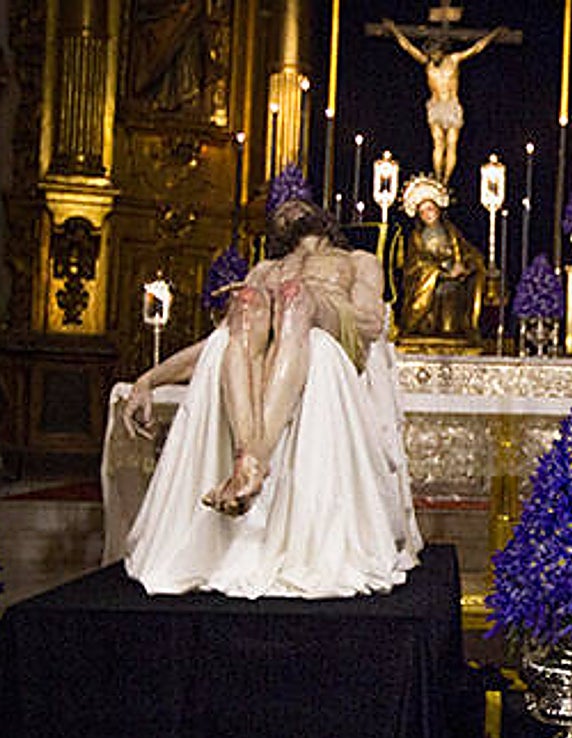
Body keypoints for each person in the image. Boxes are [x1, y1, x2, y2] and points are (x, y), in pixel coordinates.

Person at [121, 170, 422, 598]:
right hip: (282, 320)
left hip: (334, 321)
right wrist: (148, 380)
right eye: (280, 212)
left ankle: (253, 460)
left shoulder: (357, 261)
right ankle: (249, 461)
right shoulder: (265, 269)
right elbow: (217, 344)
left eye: (300, 205)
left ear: (323, 219)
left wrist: (304, 302)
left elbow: (372, 323)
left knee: (294, 296)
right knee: (245, 302)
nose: (289, 208)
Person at [383, 19, 504, 182]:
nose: (433, 56)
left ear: (442, 51)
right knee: (438, 144)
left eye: (435, 53)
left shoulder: (453, 60)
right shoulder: (427, 63)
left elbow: (476, 48)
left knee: (451, 143)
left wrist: (494, 34)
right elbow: (407, 47)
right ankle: (438, 178)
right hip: (436, 105)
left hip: (451, 105)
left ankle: (446, 180)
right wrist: (393, 29)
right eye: (431, 53)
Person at [398, 174, 486, 342]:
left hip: (453, 289)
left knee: (451, 329)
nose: (427, 214)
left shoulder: (451, 232)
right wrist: (440, 273)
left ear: (438, 209)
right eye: (422, 212)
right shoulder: (416, 237)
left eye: (430, 209)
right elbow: (415, 265)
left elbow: (468, 253)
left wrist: (466, 266)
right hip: (428, 290)